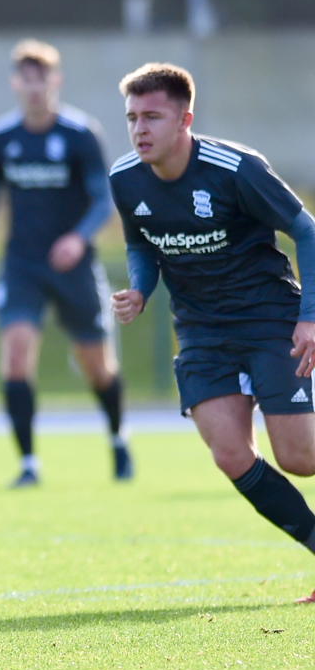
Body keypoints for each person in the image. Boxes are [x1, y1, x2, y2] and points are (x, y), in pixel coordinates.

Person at [108, 62, 315, 604]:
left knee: (300, 457)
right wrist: (140, 289)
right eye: (131, 117)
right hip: (199, 330)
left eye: (152, 116)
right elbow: (141, 242)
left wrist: (310, 317)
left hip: (268, 320)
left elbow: (305, 230)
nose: (139, 129)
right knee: (230, 454)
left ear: (185, 120)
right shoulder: (124, 178)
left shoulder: (237, 170)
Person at [0, 39, 129, 488]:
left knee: (97, 367)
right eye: (25, 79)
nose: (34, 88)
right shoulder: (1, 139)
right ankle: (29, 463)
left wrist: (77, 238)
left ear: (55, 81)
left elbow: (101, 198)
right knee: (15, 359)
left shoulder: (79, 134)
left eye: (42, 79)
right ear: (16, 84)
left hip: (73, 266)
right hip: (22, 265)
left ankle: (116, 437)